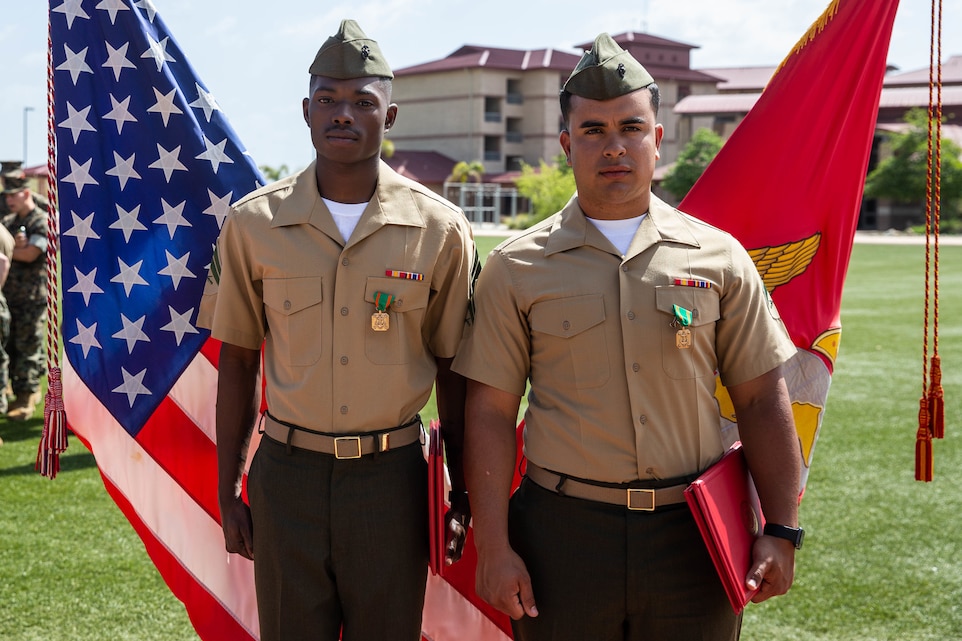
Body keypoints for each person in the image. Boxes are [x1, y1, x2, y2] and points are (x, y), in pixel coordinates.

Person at [454, 33, 803, 641]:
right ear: (566, 144)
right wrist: (494, 546)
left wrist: (782, 527)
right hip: (562, 537)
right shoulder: (518, 267)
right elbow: (488, 412)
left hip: (691, 537)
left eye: (631, 127)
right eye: (592, 130)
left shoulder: (720, 258)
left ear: (658, 140)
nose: (613, 146)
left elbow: (761, 398)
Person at [200, 19, 475, 641]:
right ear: (306, 111)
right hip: (287, 478)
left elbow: (456, 368)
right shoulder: (254, 225)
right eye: (327, 100)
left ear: (391, 114)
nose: (343, 114)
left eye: (362, 102)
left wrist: (457, 491)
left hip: (393, 479)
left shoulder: (440, 229)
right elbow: (239, 360)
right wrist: (228, 488)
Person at [1, 169, 48, 421]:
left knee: (28, 345)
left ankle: (27, 396)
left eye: (14, 194)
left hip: (31, 296)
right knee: (9, 345)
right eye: (6, 195)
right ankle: (12, 388)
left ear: (26, 192)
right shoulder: (8, 222)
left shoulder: (40, 221)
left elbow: (31, 254)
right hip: (9, 294)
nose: (9, 199)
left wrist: (11, 251)